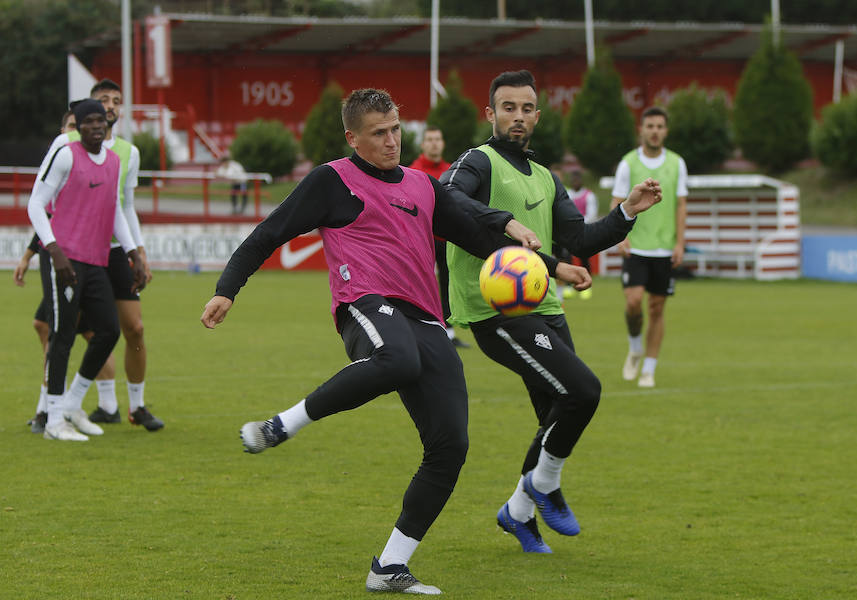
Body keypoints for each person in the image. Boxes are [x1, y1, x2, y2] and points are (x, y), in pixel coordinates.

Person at [201, 88, 586, 594]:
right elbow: (268, 233)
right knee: (397, 359)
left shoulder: (422, 186)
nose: (391, 141)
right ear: (352, 138)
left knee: (450, 445)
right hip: (366, 304)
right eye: (378, 133)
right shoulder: (331, 180)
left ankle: (389, 566)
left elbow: (478, 234)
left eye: (395, 129)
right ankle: (283, 425)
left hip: (425, 317)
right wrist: (227, 290)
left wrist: (555, 267)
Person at [441, 70, 661, 554]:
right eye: (507, 107)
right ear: (491, 113)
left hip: (545, 309)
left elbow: (579, 240)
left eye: (525, 109)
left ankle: (518, 514)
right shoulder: (477, 163)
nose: (516, 117)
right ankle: (545, 487)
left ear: (537, 116)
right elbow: (447, 199)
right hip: (494, 313)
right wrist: (510, 225)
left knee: (556, 416)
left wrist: (626, 211)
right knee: (584, 391)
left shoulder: (546, 177)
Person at [36, 79, 163, 430]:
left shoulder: (127, 153)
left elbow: (125, 207)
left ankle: (130, 407)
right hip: (72, 252)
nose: (109, 106)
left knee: (129, 328)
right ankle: (50, 410)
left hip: (111, 252)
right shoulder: (65, 145)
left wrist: (137, 252)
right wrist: (45, 248)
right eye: (103, 100)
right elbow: (43, 201)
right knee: (57, 329)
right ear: (87, 109)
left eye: (116, 101)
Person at [610, 106, 688, 389]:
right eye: (650, 126)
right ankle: (634, 348)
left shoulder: (677, 163)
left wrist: (680, 242)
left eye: (659, 126)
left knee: (656, 308)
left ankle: (649, 369)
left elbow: (681, 204)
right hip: (636, 246)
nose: (655, 131)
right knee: (633, 303)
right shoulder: (628, 163)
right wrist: (620, 235)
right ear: (641, 130)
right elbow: (616, 200)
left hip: (664, 248)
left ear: (665, 131)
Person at [408, 126, 469, 348]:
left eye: (437, 139)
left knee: (448, 285)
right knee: (421, 284)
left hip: (447, 239)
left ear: (442, 143)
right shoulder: (413, 171)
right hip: (423, 238)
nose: (434, 143)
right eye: (430, 139)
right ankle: (420, 330)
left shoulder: (451, 171)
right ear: (423, 144)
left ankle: (449, 333)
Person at [561, 169, 599, 300]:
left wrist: (578, 224)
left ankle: (586, 286)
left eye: (577, 180)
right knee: (566, 258)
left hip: (583, 230)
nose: (575, 182)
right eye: (573, 180)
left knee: (584, 257)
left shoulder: (589, 195)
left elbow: (592, 214)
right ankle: (567, 285)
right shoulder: (567, 194)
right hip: (568, 231)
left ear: (581, 181)